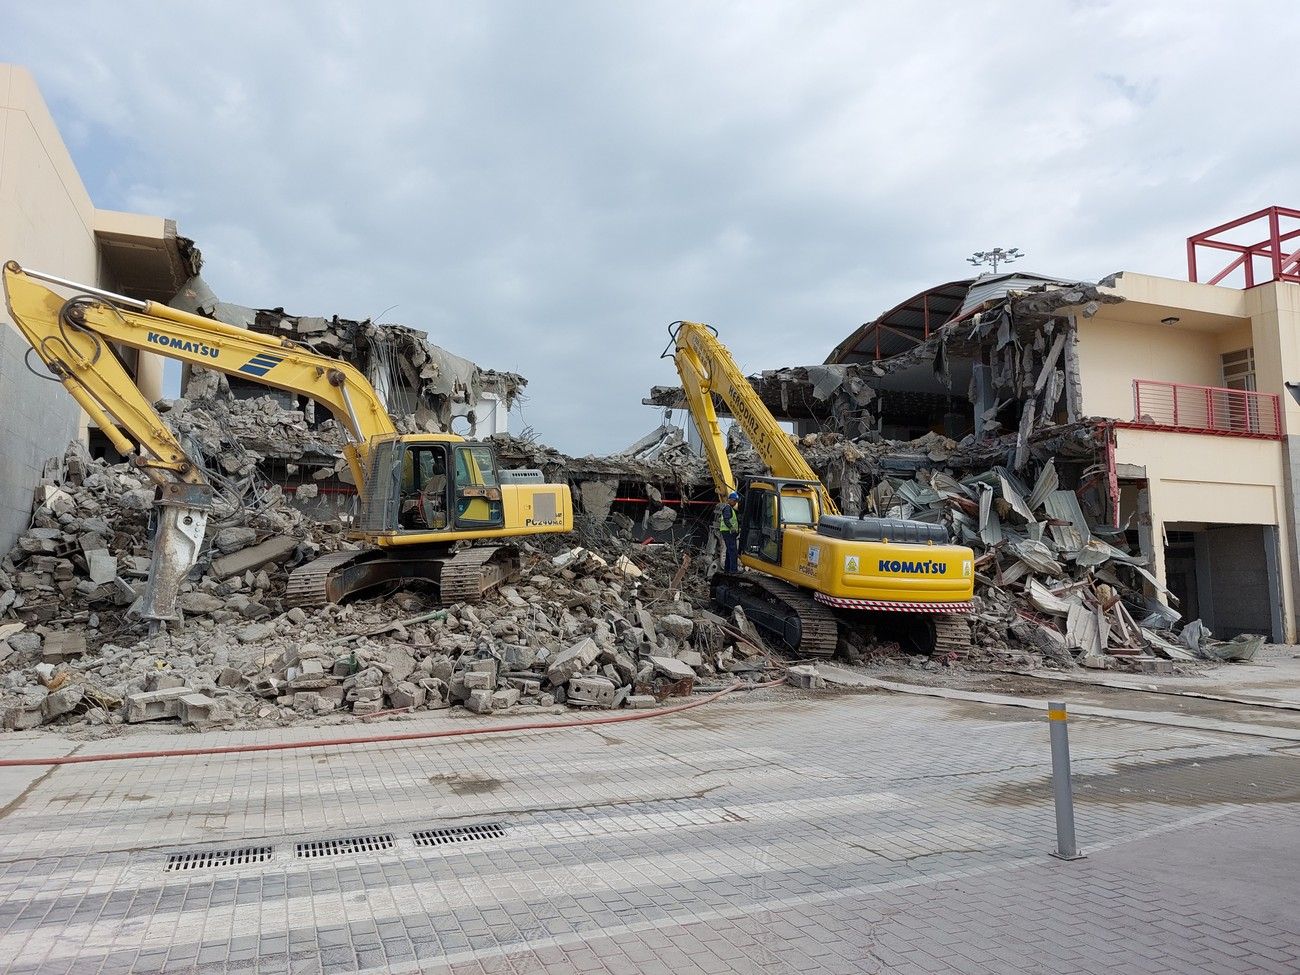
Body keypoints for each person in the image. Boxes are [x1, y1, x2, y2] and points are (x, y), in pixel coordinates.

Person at [717, 490, 741, 574]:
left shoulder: (730, 508)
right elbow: (727, 520)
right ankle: (733, 570)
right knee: (733, 551)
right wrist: (732, 528)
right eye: (734, 501)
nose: (735, 503)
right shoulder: (727, 508)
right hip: (728, 532)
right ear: (730, 500)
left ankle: (727, 569)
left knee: (729, 551)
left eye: (736, 501)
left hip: (728, 532)